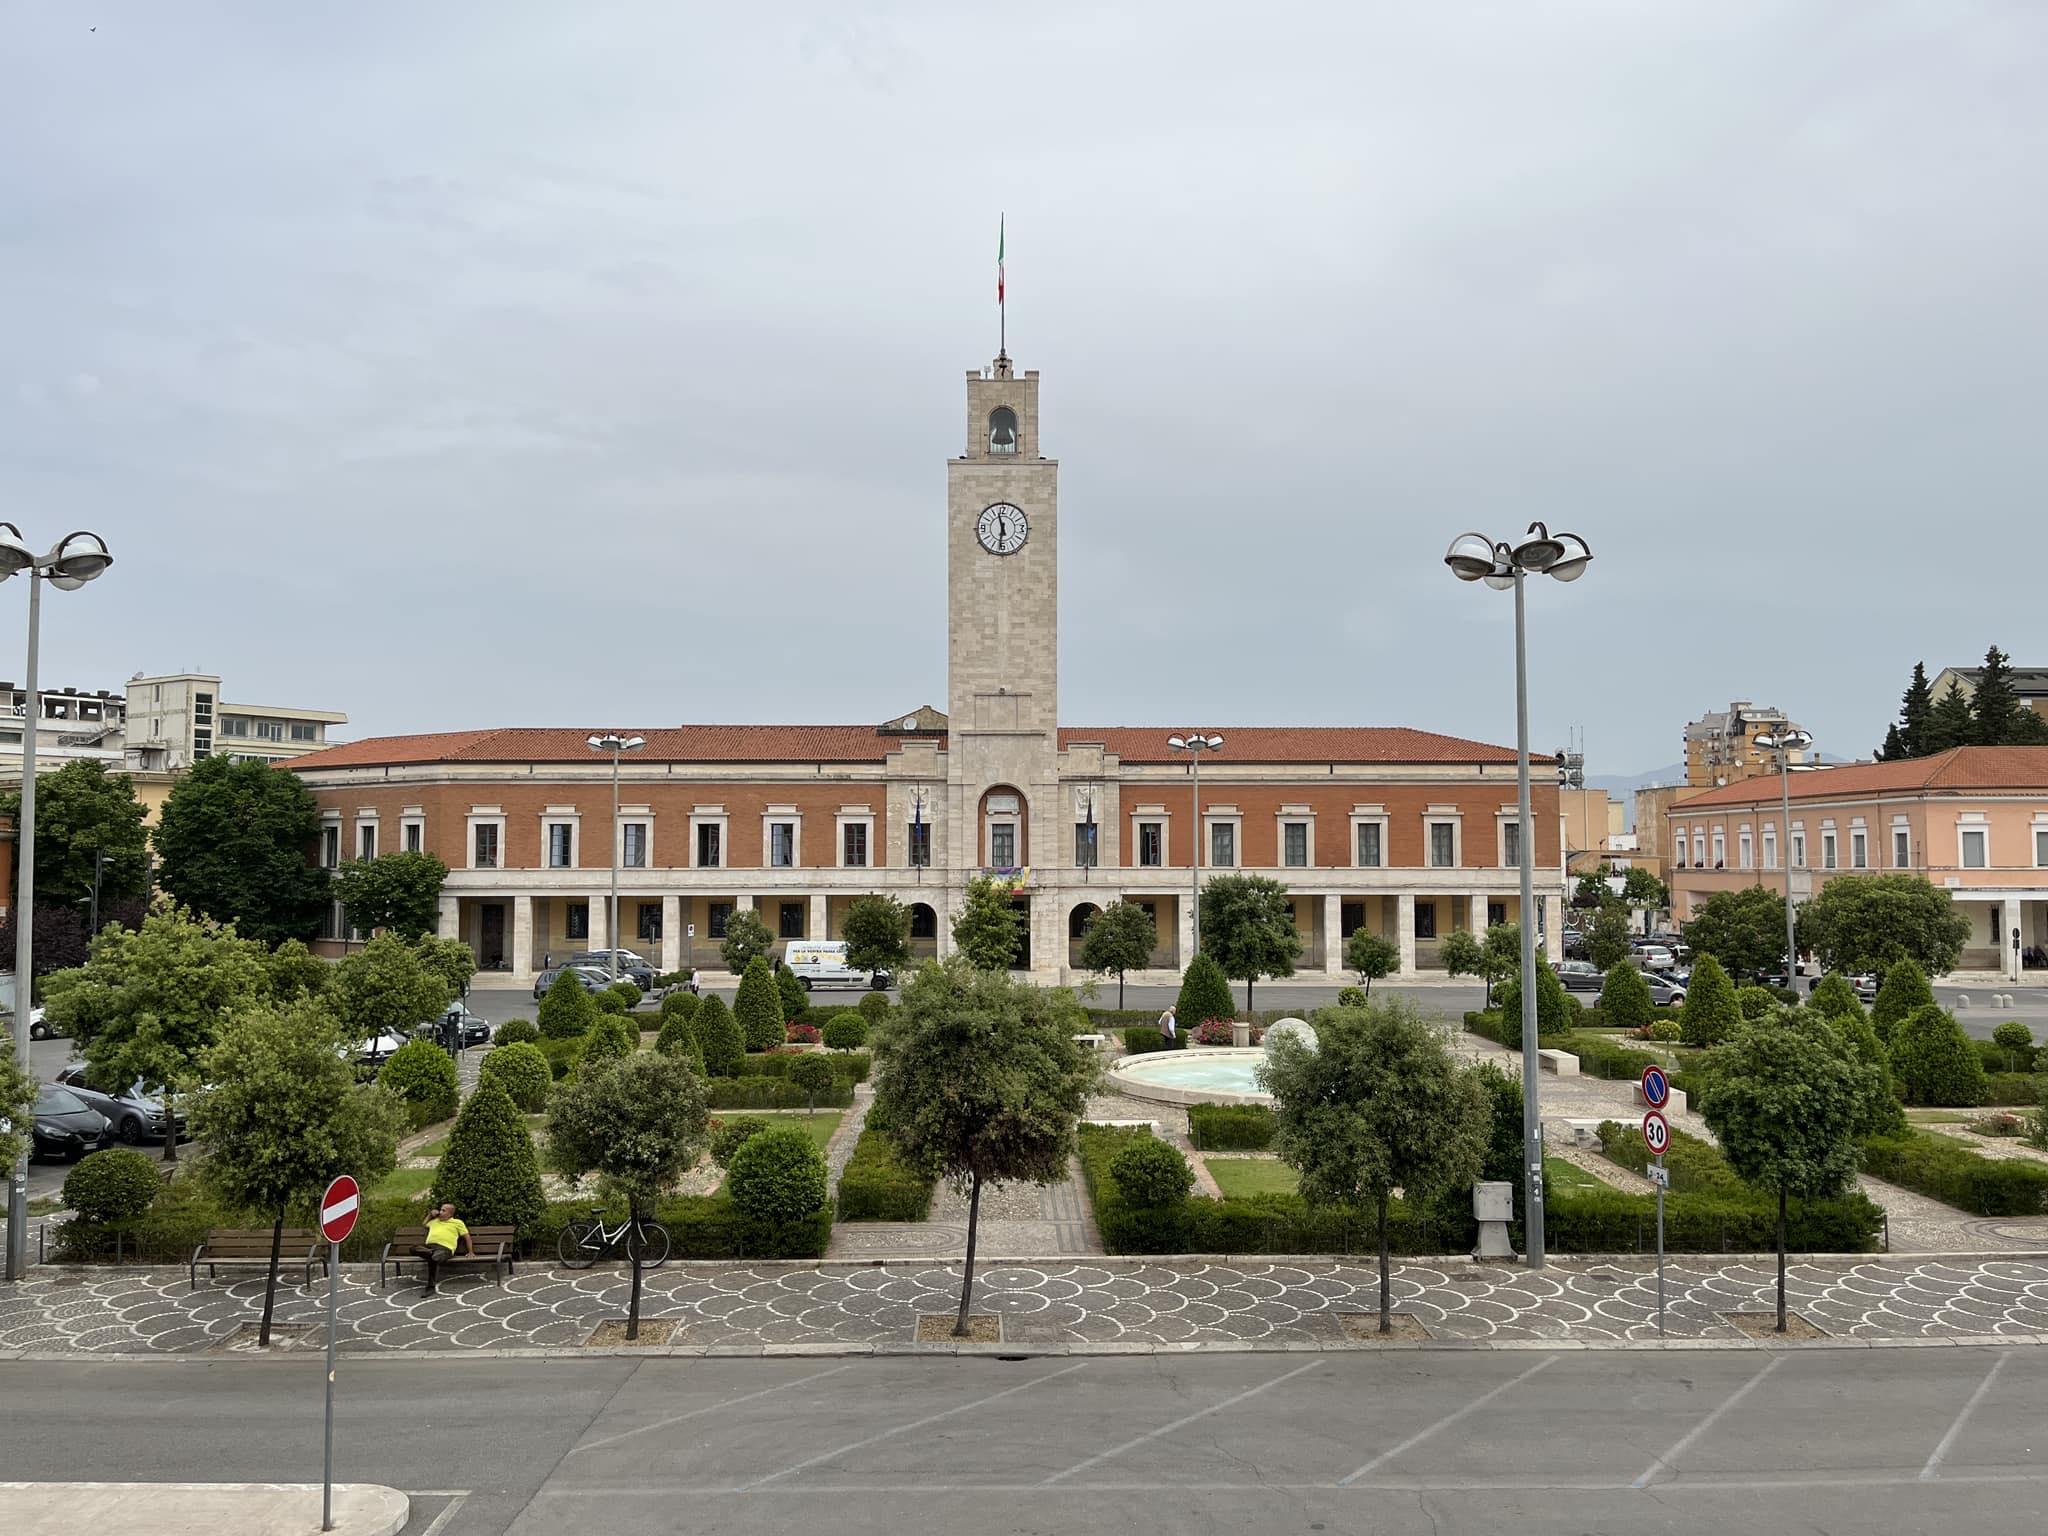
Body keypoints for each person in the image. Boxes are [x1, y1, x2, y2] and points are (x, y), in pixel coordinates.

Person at [416, 1203, 470, 1295]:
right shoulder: (435, 1221)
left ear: (450, 1214)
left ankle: (430, 1287)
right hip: (429, 1247)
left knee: (434, 1257)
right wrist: (430, 1215)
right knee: (413, 1248)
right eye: (440, 1210)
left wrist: (471, 1252)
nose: (440, 1212)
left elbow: (467, 1237)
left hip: (445, 1249)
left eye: (443, 1210)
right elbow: (424, 1224)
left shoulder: (457, 1223)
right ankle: (430, 1253)